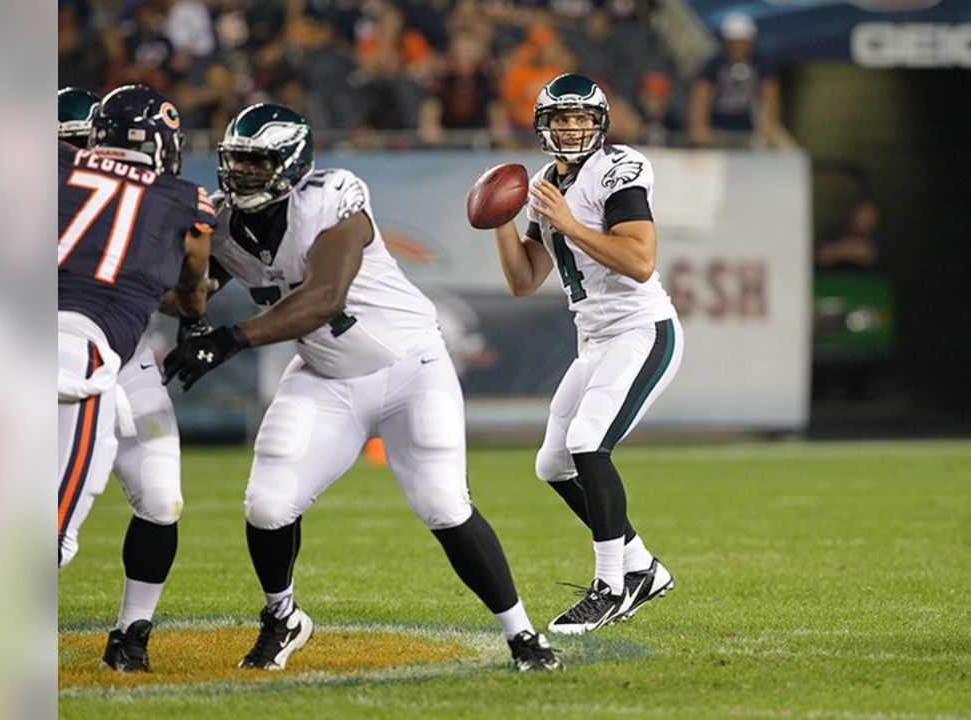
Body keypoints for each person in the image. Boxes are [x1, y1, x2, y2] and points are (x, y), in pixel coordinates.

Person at [160, 103, 560, 672]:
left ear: (293, 163)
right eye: (237, 161)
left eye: (258, 161)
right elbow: (189, 294)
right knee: (267, 505)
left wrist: (226, 341)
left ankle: (523, 637)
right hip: (326, 376)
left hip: (409, 368)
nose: (244, 173)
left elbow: (323, 296)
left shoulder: (333, 197)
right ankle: (282, 617)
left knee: (445, 504)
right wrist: (174, 284)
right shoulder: (224, 222)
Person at [487, 73, 682, 634]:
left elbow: (640, 260)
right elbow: (525, 279)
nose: (572, 128)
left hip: (642, 330)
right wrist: (501, 223)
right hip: (594, 341)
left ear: (599, 124)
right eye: (561, 119)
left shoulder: (616, 169)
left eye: (581, 118)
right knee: (552, 464)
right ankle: (641, 566)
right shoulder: (547, 183)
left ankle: (611, 586)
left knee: (588, 443)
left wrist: (569, 223)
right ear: (543, 126)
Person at [57, 85, 214, 673]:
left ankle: (131, 632)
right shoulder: (171, 194)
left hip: (126, 357)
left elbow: (155, 287)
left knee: (161, 496)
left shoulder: (60, 174)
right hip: (78, 353)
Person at [689, 12, 791, 148]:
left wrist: (770, 123)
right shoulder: (715, 63)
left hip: (746, 123)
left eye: (743, 42)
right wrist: (700, 125)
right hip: (717, 123)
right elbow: (702, 94)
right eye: (735, 42)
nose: (739, 47)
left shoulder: (760, 62)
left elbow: (770, 93)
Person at [816, 201, 881, 270]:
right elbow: (822, 256)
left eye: (869, 216)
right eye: (861, 215)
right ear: (852, 215)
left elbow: (869, 255)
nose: (865, 220)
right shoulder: (834, 230)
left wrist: (838, 250)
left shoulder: (874, 237)